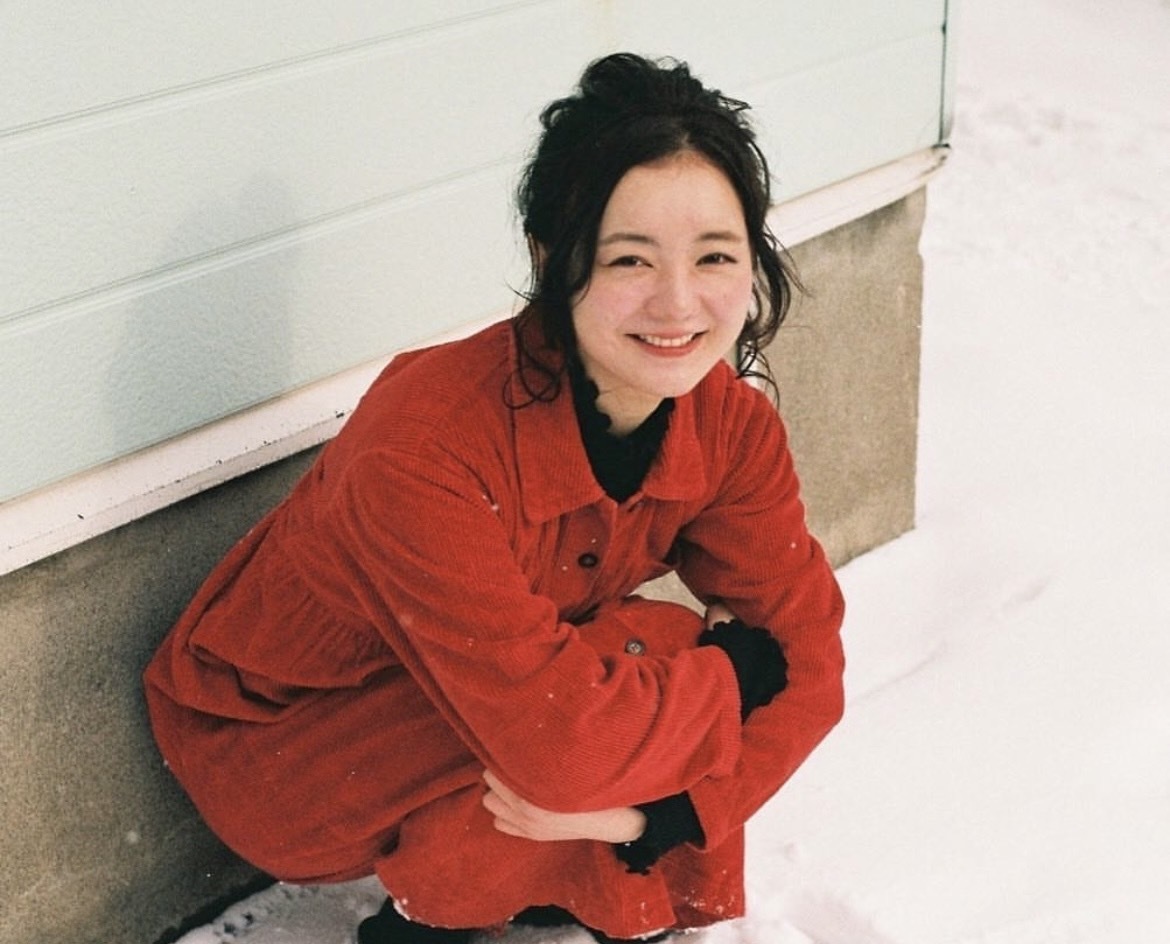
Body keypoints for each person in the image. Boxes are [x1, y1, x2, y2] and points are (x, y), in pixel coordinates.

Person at [144, 52, 845, 944]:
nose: (678, 304)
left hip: (477, 690)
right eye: (630, 259)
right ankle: (440, 914)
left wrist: (650, 820)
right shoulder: (424, 447)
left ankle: (563, 874)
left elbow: (813, 666)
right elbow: (563, 746)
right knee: (652, 667)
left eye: (714, 256)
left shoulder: (730, 425)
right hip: (285, 751)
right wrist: (737, 676)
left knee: (632, 678)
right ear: (553, 258)